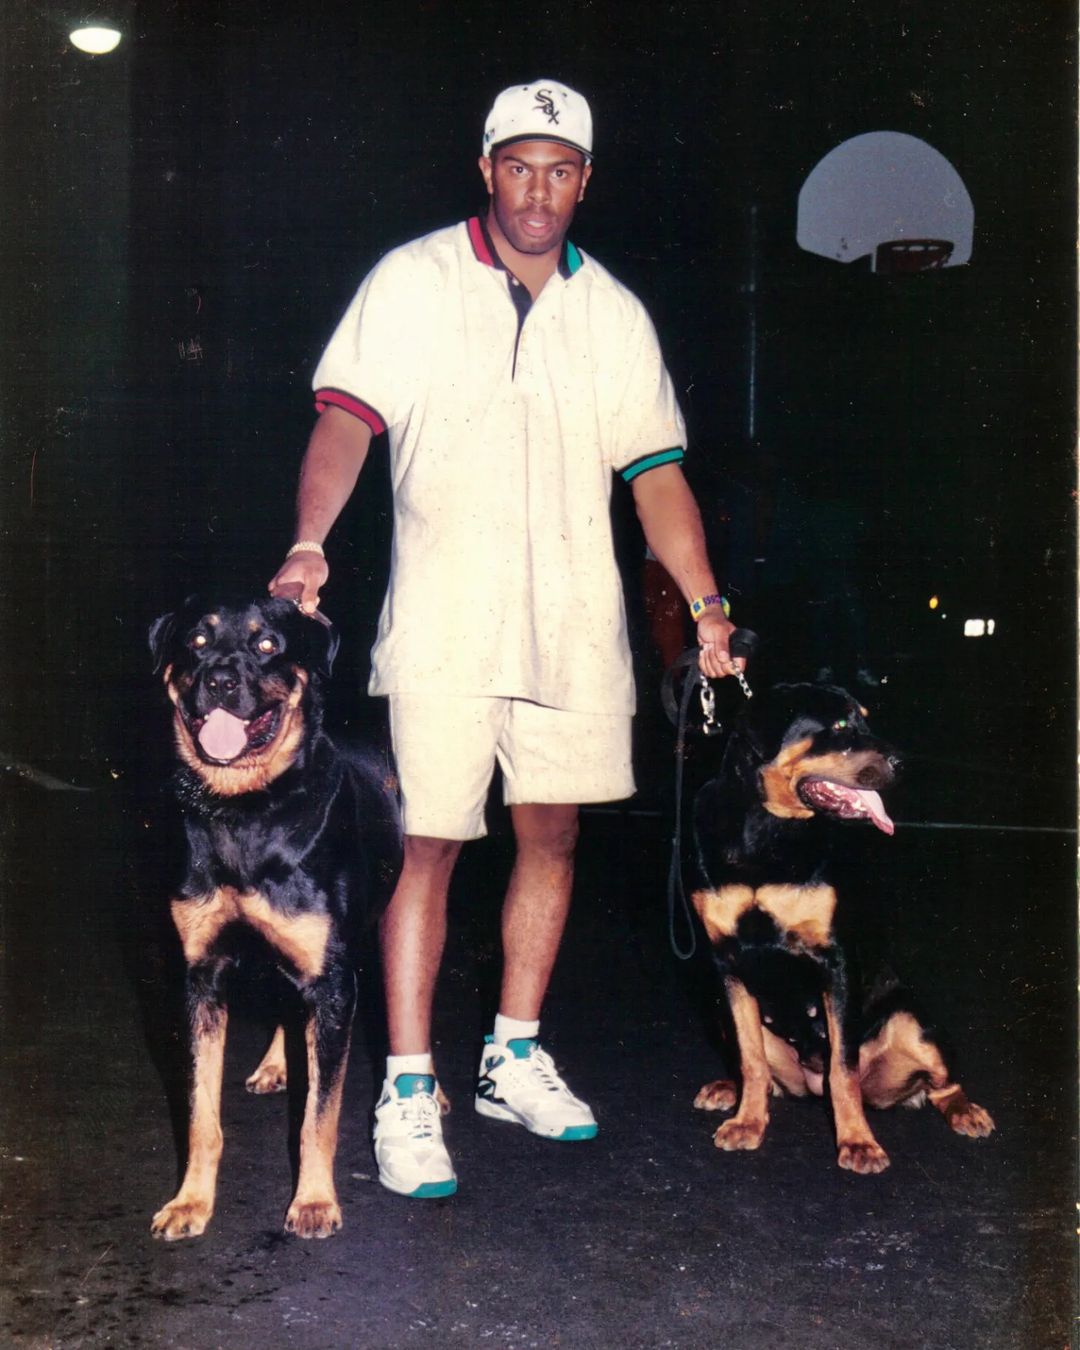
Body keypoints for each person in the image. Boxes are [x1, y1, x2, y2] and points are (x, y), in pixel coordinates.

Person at [269, 80, 742, 1200]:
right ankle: (408, 1086)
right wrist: (308, 542)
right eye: (519, 167)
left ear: (586, 181)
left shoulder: (614, 313)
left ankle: (513, 1056)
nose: (538, 192)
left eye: (560, 171)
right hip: (444, 621)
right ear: (487, 170)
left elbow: (656, 475)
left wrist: (708, 604)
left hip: (574, 625)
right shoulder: (414, 279)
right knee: (427, 845)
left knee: (553, 835)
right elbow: (345, 421)